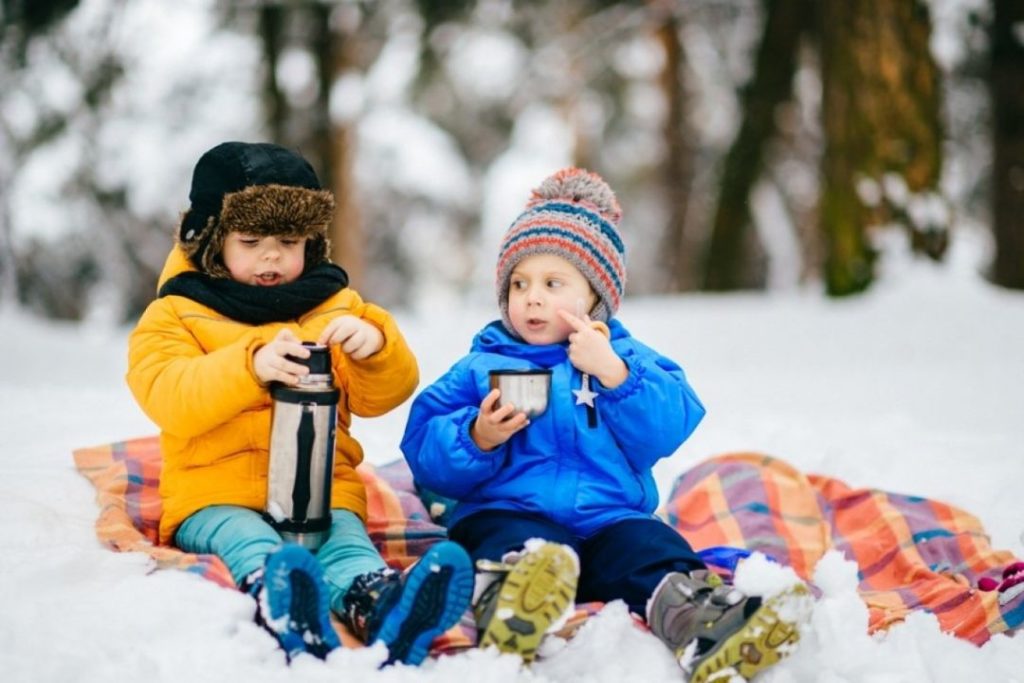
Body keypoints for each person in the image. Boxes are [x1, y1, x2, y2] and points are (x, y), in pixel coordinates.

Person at [400, 168, 807, 680]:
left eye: (553, 283)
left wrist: (614, 373)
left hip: (611, 518)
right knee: (513, 541)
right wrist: (477, 437)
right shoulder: (481, 365)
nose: (532, 298)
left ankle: (698, 619)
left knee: (651, 551)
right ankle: (515, 600)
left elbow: (667, 426)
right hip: (511, 510)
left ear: (595, 296)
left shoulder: (625, 358)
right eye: (519, 284)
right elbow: (424, 446)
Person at [126, 141, 473, 666]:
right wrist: (249, 366)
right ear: (212, 241)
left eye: (289, 240)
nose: (272, 255)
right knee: (249, 540)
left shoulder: (337, 306)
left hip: (321, 492)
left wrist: (375, 347)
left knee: (347, 547)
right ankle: (285, 598)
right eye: (251, 240)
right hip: (214, 494)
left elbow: (386, 396)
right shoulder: (175, 314)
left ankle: (383, 604)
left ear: (312, 242)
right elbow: (170, 394)